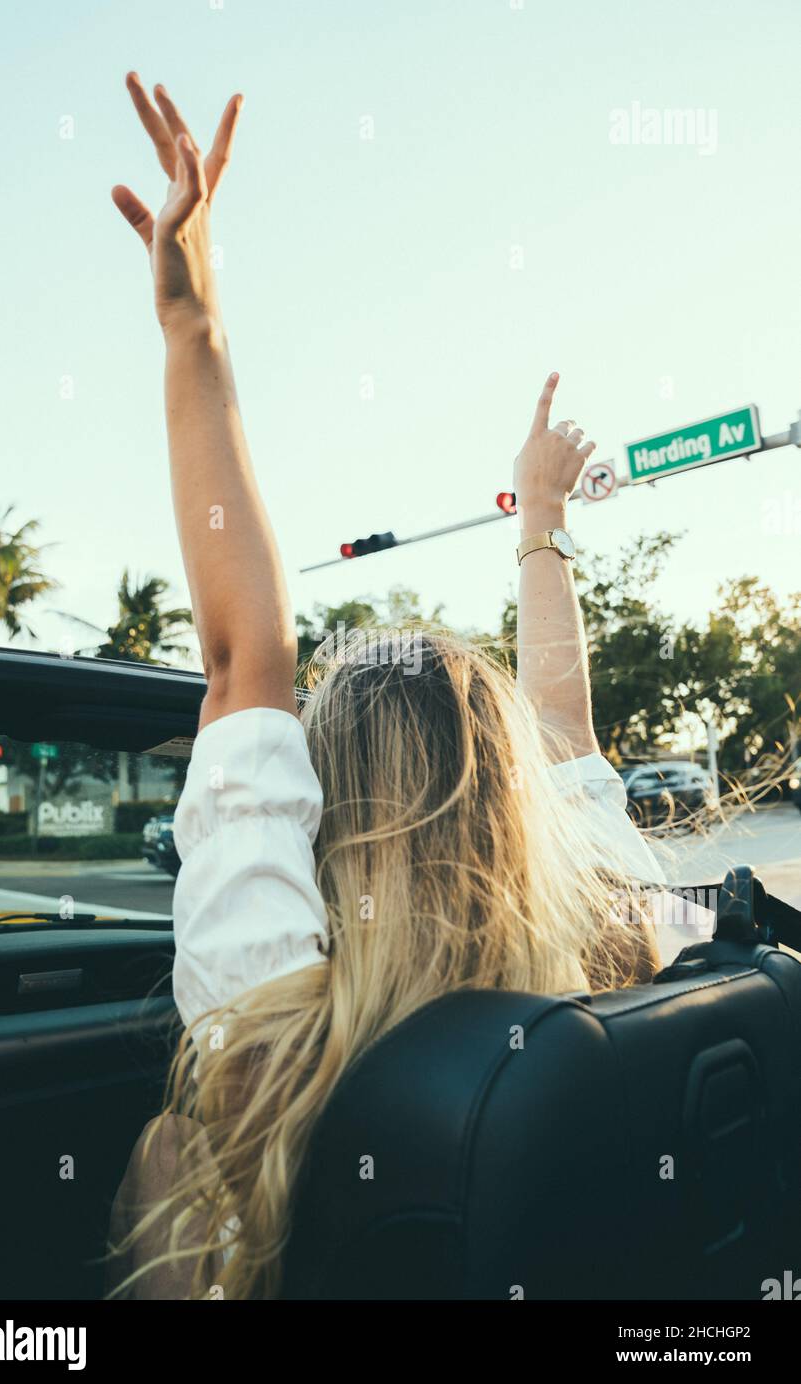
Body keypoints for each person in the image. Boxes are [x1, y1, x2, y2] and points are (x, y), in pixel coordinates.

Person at [108, 75, 687, 1300]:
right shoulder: (614, 951)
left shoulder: (268, 1032)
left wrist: (190, 326)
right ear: (515, 791)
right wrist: (536, 514)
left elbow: (243, 656)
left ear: (329, 811)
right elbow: (561, 721)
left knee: (169, 1160)